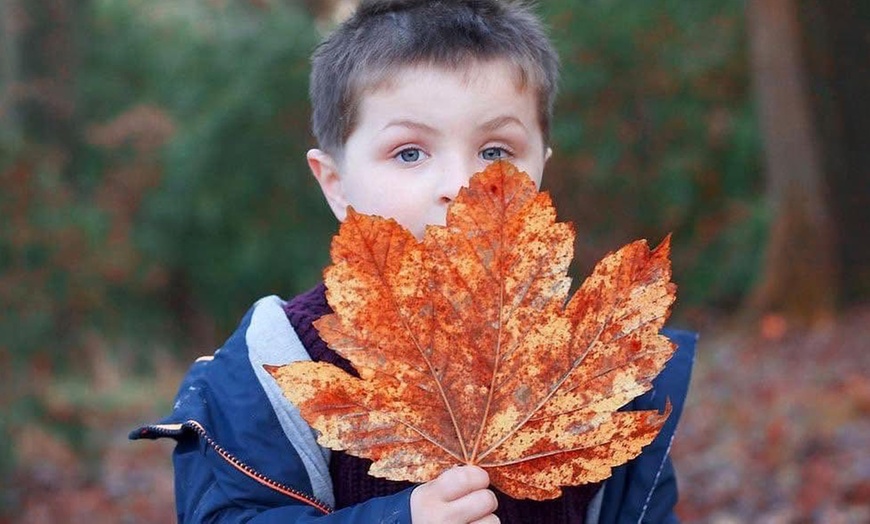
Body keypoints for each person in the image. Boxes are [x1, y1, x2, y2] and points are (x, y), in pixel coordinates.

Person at [131, 0, 697, 522]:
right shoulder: (278, 360)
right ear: (335, 184)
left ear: (542, 166)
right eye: (409, 152)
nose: (460, 184)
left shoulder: (596, 366)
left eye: (496, 151)